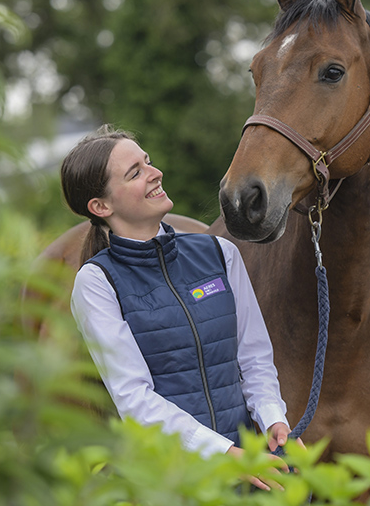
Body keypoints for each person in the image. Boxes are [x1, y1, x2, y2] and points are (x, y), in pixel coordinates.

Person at [60, 125, 294, 490]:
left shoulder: (220, 254)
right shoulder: (96, 283)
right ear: (101, 206)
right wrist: (224, 455)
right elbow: (135, 401)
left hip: (253, 469)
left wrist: (272, 418)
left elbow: (254, 358)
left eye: (147, 162)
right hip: (172, 480)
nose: (155, 174)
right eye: (135, 173)